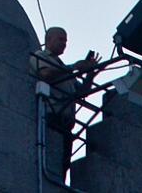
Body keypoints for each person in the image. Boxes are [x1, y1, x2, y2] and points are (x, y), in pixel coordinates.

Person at [30, 27, 101, 178]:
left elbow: (81, 93)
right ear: (49, 40)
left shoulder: (63, 68)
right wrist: (74, 67)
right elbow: (45, 74)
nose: (64, 43)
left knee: (62, 168)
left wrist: (90, 73)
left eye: (66, 41)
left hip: (66, 124)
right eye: (61, 39)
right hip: (50, 119)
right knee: (49, 166)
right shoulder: (40, 56)